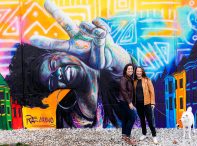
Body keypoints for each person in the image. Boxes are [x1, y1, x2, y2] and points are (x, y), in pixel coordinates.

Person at [6, 0, 135, 128]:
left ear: (60, 51)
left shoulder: (111, 75)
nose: (58, 74)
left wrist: (112, 55)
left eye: (53, 64)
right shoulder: (67, 115)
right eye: (52, 81)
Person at [133, 66, 158, 144]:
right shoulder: (134, 81)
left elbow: (152, 92)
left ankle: (154, 135)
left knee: (150, 120)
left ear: (142, 72)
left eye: (140, 71)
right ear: (135, 72)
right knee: (142, 120)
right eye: (137, 71)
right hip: (138, 104)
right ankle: (144, 134)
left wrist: (152, 103)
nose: (139, 72)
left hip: (147, 103)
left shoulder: (147, 80)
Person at [119, 63, 137, 145]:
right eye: (128, 69)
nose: (130, 70)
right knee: (133, 117)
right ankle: (127, 136)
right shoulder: (124, 79)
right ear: (126, 70)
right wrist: (129, 103)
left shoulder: (130, 79)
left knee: (125, 118)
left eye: (131, 69)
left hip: (125, 101)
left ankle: (124, 135)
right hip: (124, 102)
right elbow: (123, 91)